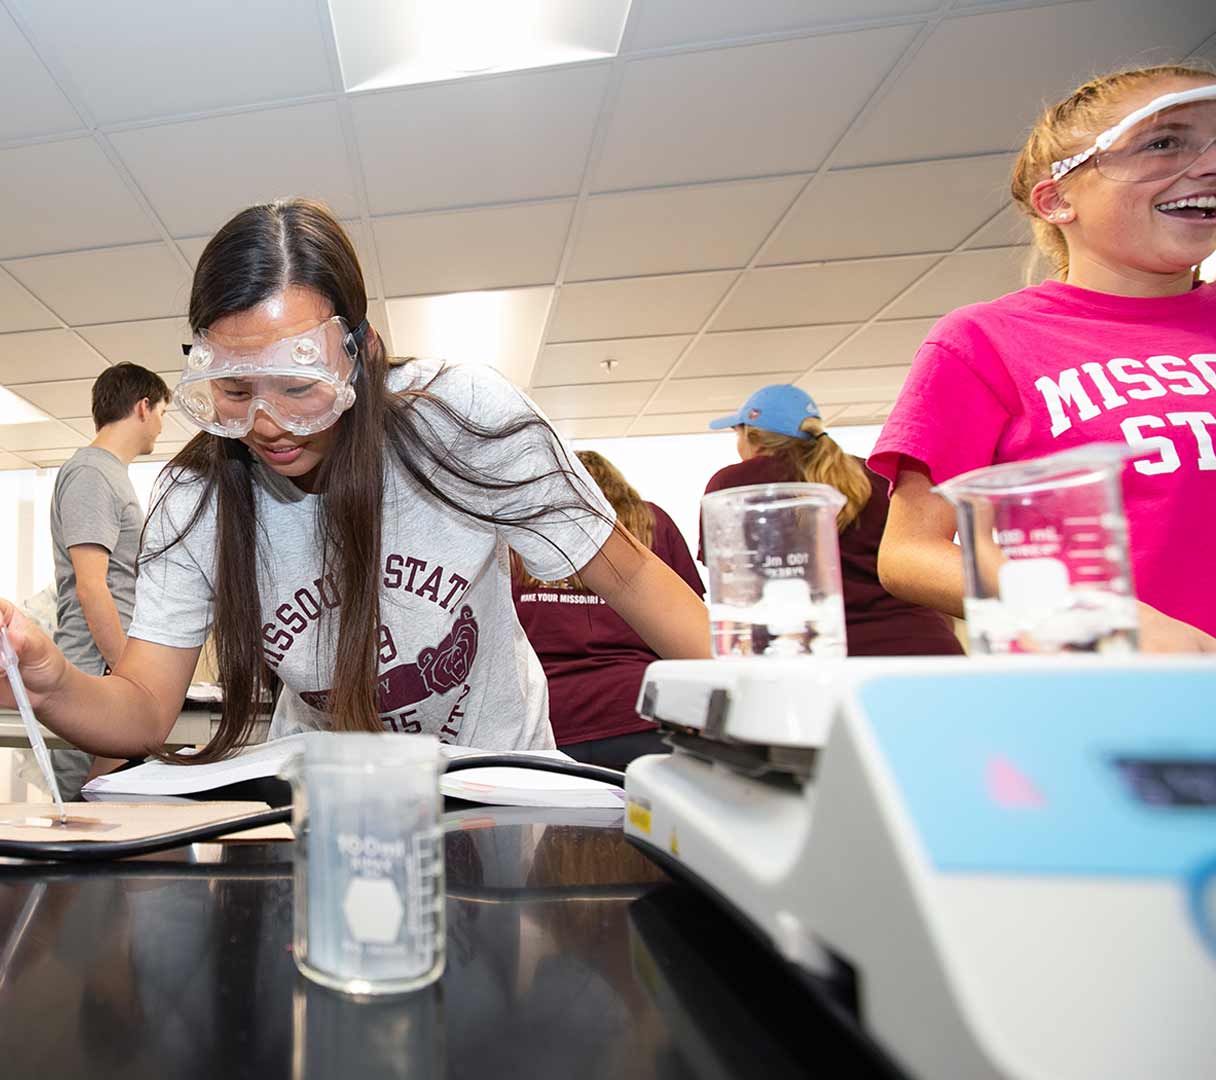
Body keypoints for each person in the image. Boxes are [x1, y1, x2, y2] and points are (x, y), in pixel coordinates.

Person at [0, 198, 710, 762]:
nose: (269, 424)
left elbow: (636, 582)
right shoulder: (199, 498)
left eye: (298, 385)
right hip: (330, 798)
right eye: (237, 391)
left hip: (496, 780)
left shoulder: (462, 420)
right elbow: (146, 709)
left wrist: (782, 733)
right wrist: (49, 684)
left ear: (362, 351)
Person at [870, 64, 1216, 651]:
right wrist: (1108, 616)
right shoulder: (986, 340)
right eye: (1162, 143)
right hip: (1109, 698)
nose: (1207, 164)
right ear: (1057, 200)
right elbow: (909, 553)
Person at [704, 385, 963, 656]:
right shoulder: (877, 476)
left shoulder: (734, 486)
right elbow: (920, 571)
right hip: (923, 644)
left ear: (751, 437)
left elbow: (731, 588)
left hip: (820, 657)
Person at [511, 451, 704, 770]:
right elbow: (689, 618)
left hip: (552, 716)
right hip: (639, 711)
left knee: (554, 821)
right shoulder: (651, 522)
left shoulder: (525, 536)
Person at [46, 362, 169, 787]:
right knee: (85, 821)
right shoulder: (92, 473)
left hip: (107, 671)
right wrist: (128, 674)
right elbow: (91, 587)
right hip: (95, 671)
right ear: (143, 407)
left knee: (109, 815)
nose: (160, 426)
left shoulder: (110, 475)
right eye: (162, 414)